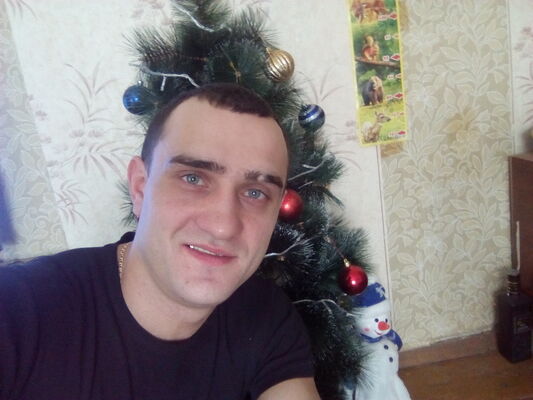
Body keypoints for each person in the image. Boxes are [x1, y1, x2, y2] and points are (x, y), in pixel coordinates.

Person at [0, 83, 321, 400]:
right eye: (193, 178)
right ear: (140, 188)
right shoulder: (20, 309)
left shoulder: (266, 314)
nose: (223, 226)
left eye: (255, 193)